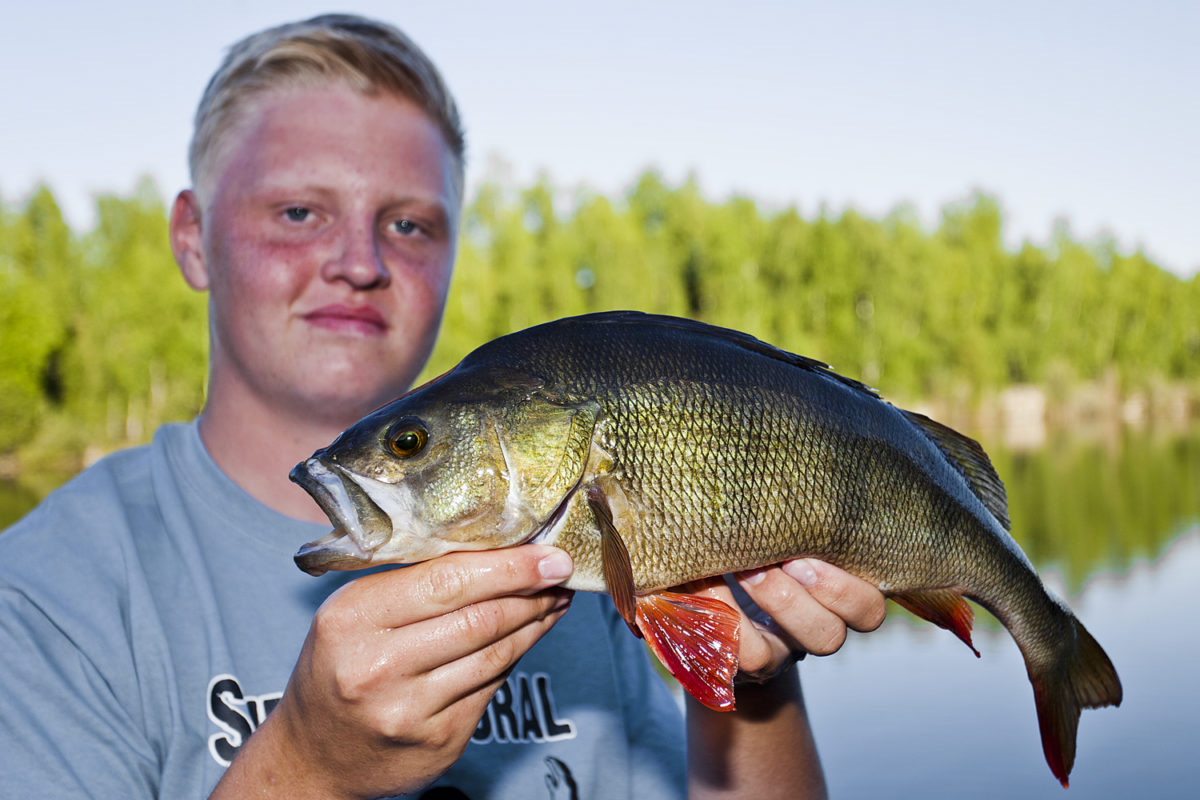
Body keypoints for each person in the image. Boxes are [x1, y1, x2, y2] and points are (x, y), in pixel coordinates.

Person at [0, 14, 886, 799]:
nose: (358, 260)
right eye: (300, 211)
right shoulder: (45, 597)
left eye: (410, 225)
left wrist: (752, 679)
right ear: (192, 239)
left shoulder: (583, 525)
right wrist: (307, 771)